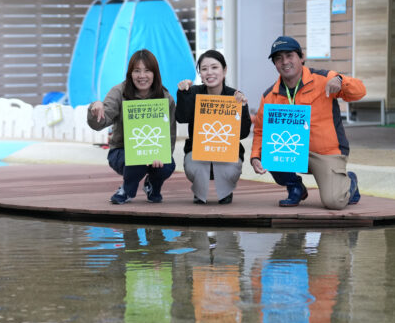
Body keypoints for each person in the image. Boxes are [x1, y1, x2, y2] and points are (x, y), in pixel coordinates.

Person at [250, 36, 365, 209]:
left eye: (289, 56)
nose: (285, 62)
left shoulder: (325, 78)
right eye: (278, 58)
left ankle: (349, 181)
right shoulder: (269, 96)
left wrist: (341, 81)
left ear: (301, 57)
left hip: (326, 152)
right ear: (275, 64)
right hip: (292, 151)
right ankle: (295, 187)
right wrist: (255, 157)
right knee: (270, 150)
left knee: (334, 202)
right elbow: (260, 130)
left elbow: (360, 92)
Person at [87, 49, 177, 204]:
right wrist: (95, 109)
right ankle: (127, 190)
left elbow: (170, 134)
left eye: (147, 71)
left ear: (155, 74)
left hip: (154, 149)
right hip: (122, 151)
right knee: (138, 158)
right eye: (137, 71)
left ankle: (153, 186)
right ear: (130, 74)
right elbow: (101, 122)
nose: (142, 76)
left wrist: (162, 154)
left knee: (167, 166)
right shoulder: (118, 92)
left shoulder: (165, 97)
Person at [175, 49, 250, 204]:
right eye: (204, 69)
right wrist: (183, 94)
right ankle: (199, 191)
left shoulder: (234, 96)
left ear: (224, 70)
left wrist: (242, 107)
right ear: (200, 74)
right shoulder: (193, 92)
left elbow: (242, 134)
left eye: (214, 67)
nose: (209, 72)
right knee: (194, 166)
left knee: (230, 167)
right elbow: (181, 118)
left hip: (226, 151)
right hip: (198, 150)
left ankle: (226, 191)